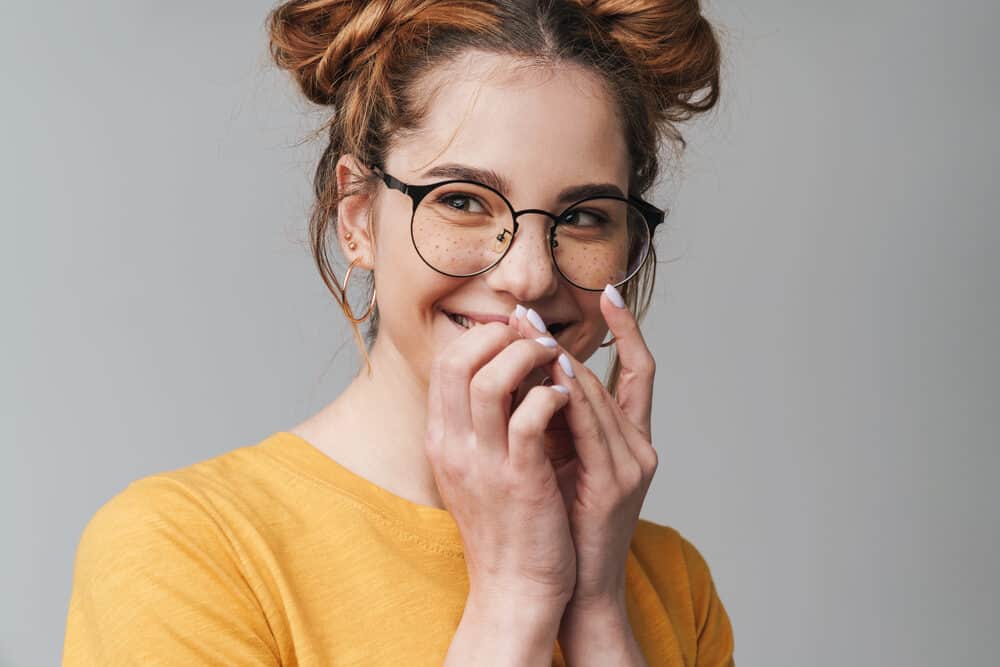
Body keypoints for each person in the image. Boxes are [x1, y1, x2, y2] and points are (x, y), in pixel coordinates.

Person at [63, 0, 734, 664]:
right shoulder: (185, 549)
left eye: (586, 215)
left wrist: (597, 608)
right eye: (464, 200)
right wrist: (515, 600)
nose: (529, 276)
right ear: (356, 215)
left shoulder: (674, 580)